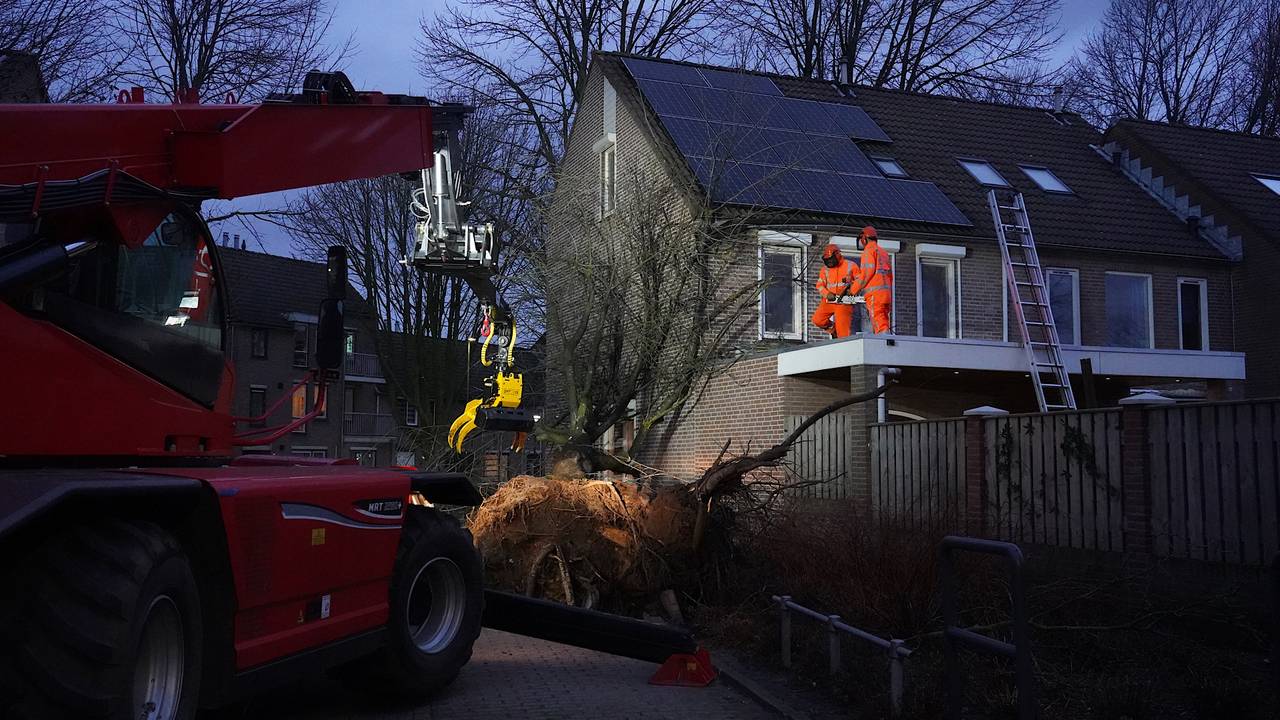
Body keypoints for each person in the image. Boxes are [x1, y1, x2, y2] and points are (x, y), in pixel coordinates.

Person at [851, 226, 893, 334]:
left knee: (879, 323)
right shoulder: (884, 253)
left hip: (875, 295)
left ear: (864, 238)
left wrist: (853, 290)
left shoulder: (868, 251)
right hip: (886, 295)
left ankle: (884, 345)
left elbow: (866, 275)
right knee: (883, 320)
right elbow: (889, 276)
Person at [811, 243, 857, 338]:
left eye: (830, 259)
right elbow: (820, 285)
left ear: (837, 255)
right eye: (827, 260)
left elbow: (860, 281)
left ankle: (843, 348)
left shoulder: (851, 265)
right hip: (829, 300)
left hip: (845, 301)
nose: (829, 262)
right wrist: (827, 294)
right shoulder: (825, 270)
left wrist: (852, 290)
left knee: (843, 332)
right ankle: (833, 329)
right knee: (818, 319)